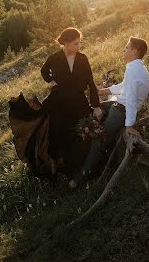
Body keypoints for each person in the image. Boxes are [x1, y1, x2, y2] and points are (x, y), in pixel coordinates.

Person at [69, 35, 149, 189]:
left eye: (126, 47)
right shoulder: (136, 67)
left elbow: (132, 100)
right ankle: (79, 149)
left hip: (122, 111)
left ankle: (79, 179)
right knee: (91, 108)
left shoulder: (134, 70)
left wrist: (130, 126)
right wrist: (101, 91)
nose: (124, 49)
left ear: (134, 51)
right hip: (119, 104)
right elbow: (124, 87)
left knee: (97, 142)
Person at [40, 27, 103, 178]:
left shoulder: (82, 58)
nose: (78, 46)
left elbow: (91, 82)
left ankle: (81, 164)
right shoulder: (54, 58)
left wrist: (96, 105)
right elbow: (43, 72)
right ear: (66, 43)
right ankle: (56, 161)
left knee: (81, 128)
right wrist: (52, 81)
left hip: (77, 99)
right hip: (59, 100)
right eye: (75, 43)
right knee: (57, 129)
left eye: (79, 43)